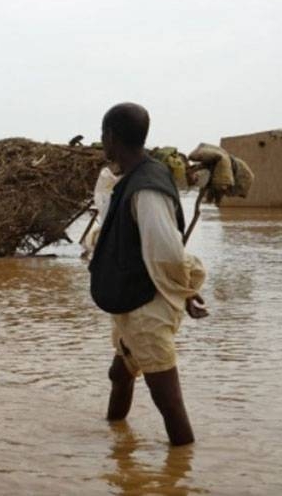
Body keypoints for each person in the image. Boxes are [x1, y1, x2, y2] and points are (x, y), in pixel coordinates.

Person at [88, 103, 208, 446]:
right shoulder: (135, 178)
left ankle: (181, 465)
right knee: (120, 374)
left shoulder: (146, 188)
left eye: (103, 135)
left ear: (111, 137)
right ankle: (117, 444)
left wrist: (184, 292)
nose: (102, 142)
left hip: (147, 307)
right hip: (133, 299)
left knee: (168, 400)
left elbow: (167, 252)